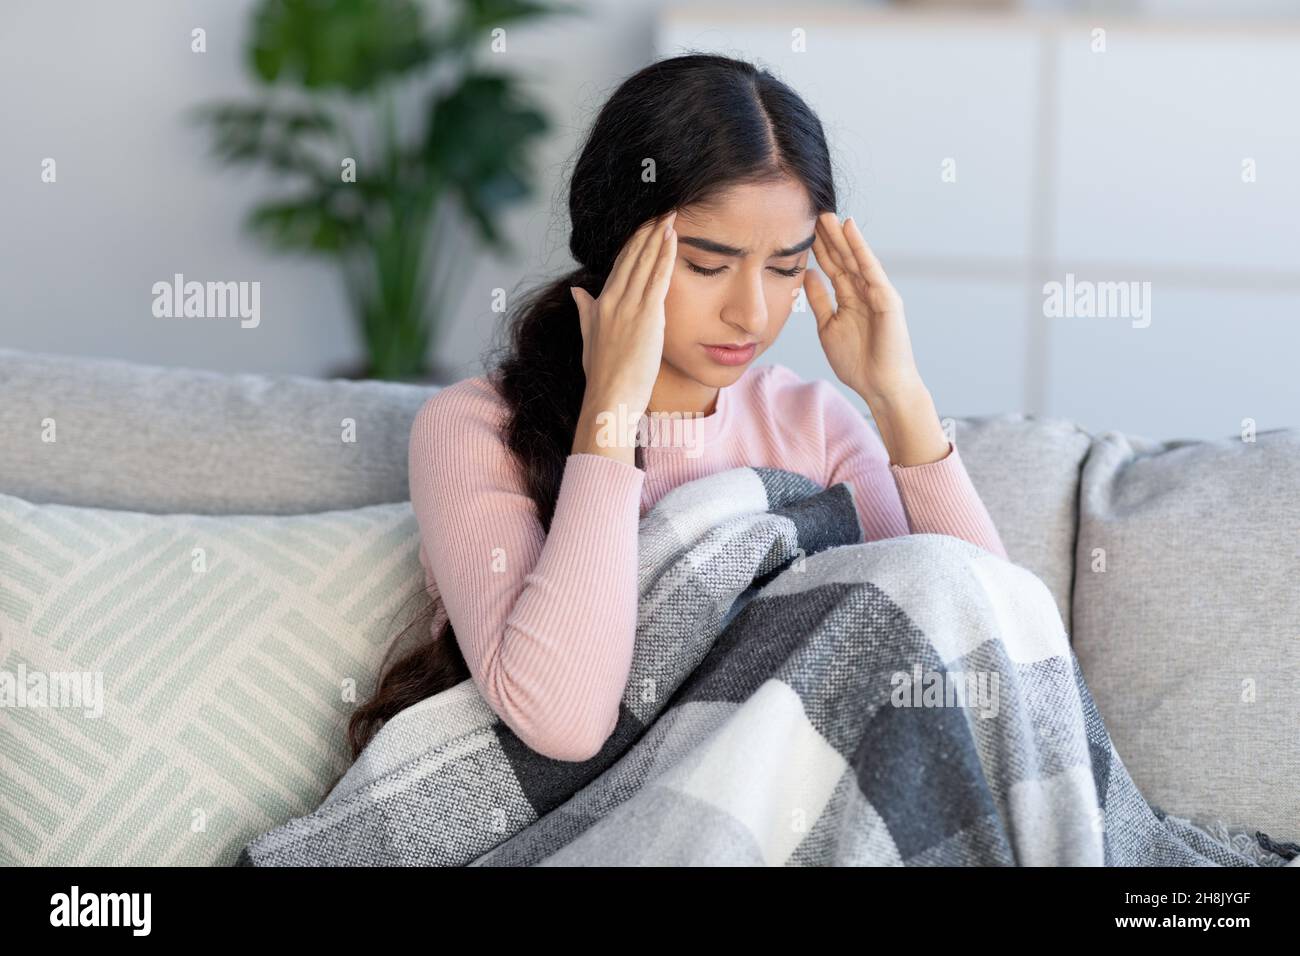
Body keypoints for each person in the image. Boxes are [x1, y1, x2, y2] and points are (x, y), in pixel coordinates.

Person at [346, 53, 1007, 766]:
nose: (751, 312)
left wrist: (897, 398)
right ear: (614, 243)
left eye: (786, 267)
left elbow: (995, 676)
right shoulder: (473, 429)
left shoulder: (816, 426)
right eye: (706, 265)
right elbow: (563, 722)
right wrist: (609, 416)